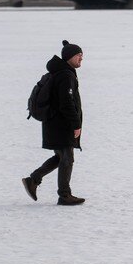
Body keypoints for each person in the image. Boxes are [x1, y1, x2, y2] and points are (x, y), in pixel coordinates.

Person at [22, 40, 85, 205]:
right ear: (70, 57)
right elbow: (67, 102)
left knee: (61, 157)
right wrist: (76, 124)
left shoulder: (59, 72)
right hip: (60, 124)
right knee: (67, 158)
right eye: (79, 55)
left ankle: (33, 179)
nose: (81, 59)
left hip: (53, 122)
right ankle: (64, 195)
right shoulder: (65, 75)